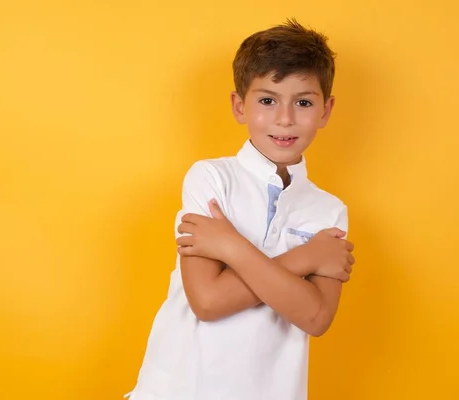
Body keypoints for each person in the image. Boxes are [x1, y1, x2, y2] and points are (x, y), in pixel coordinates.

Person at [125, 18, 356, 400]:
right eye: (267, 100)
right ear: (239, 106)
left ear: (326, 110)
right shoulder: (211, 178)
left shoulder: (329, 211)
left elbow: (316, 318)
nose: (285, 118)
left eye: (303, 102)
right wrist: (307, 257)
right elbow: (209, 301)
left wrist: (230, 247)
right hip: (179, 388)